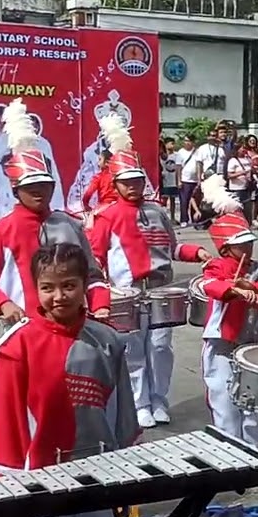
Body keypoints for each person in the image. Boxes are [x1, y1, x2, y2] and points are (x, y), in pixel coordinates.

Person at [0, 243, 140, 517]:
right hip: (40, 475)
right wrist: (6, 486)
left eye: (69, 285)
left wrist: (129, 475)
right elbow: (7, 423)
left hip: (99, 468)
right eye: (48, 287)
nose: (59, 296)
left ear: (85, 284)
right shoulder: (17, 345)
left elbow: (122, 412)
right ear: (35, 288)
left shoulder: (107, 340)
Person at [87, 112, 210, 429]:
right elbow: (95, 259)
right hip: (126, 293)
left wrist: (197, 253)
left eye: (137, 181)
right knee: (134, 350)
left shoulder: (157, 211)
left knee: (160, 347)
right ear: (116, 184)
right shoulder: (106, 215)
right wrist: (100, 294)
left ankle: (159, 400)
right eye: (126, 182)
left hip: (160, 290)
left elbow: (172, 248)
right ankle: (140, 403)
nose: (133, 187)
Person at [0, 99, 111, 324]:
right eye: (30, 187)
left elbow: (93, 275)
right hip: (25, 327)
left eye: (44, 185)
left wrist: (100, 305)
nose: (38, 192)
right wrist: (3, 304)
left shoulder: (70, 225)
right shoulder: (1, 231)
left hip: (74, 325)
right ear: (16, 190)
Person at [195, 175, 258, 446]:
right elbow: (210, 286)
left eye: (249, 241)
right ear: (225, 248)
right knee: (223, 399)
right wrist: (234, 289)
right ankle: (229, 449)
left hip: (253, 343)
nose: (248, 247)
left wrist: (255, 289)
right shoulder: (216, 267)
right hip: (222, 342)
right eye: (240, 243)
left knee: (253, 402)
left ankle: (254, 450)